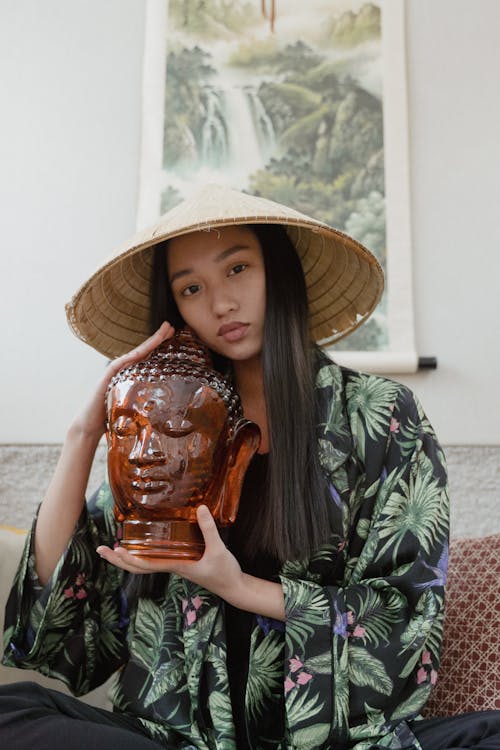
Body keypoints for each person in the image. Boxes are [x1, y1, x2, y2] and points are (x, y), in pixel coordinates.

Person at [1, 185, 499, 750]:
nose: (220, 303)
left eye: (237, 268)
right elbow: (65, 626)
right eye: (191, 287)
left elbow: (407, 620)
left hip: (333, 741)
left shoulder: (379, 417)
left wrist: (240, 587)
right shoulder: (163, 429)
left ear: (278, 272)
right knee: (12, 711)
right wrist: (84, 433)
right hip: (176, 738)